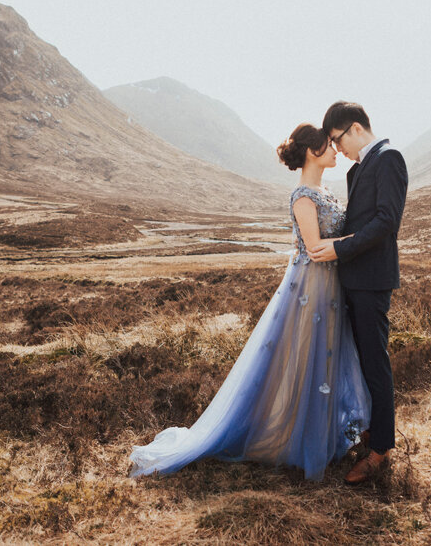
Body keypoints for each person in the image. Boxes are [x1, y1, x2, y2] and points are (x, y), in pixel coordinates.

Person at [128, 123, 371, 482]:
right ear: (311, 152)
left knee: (325, 360)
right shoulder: (304, 196)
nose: (336, 149)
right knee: (303, 360)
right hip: (311, 290)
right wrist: (364, 237)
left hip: (331, 291)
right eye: (328, 145)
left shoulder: (324, 190)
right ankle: (290, 437)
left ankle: (318, 433)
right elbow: (317, 249)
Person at [309, 101, 408, 486]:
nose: (337, 149)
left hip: (372, 280)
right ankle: (368, 431)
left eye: (337, 140)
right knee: (358, 362)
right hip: (352, 279)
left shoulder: (389, 158)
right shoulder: (359, 167)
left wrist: (339, 248)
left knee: (374, 363)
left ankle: (381, 449)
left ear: (353, 129)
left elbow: (387, 221)